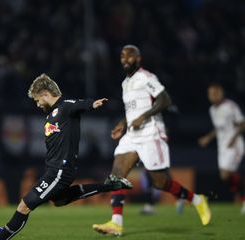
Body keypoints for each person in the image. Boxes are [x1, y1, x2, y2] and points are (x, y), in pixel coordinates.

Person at [0, 73, 133, 240]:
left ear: (45, 94)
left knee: (24, 206)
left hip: (59, 170)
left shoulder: (65, 107)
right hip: (55, 169)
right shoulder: (52, 114)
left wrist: (92, 104)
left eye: (37, 100)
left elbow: (78, 105)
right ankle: (112, 186)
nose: (37, 104)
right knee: (59, 200)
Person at [92, 45, 211, 236]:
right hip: (132, 135)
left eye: (129, 55)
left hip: (151, 134)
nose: (125, 59)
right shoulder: (125, 83)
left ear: (138, 59)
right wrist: (123, 123)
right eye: (122, 55)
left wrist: (144, 117)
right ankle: (116, 223)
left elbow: (165, 100)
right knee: (117, 174)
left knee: (160, 182)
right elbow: (132, 111)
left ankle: (197, 200)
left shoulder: (146, 77)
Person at [198, 82, 245, 214]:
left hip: (234, 145)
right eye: (209, 94)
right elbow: (218, 129)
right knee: (225, 176)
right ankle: (241, 197)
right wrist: (207, 138)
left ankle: (243, 199)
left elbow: (242, 124)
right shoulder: (212, 110)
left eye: (214, 93)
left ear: (220, 93)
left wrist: (233, 138)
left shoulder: (230, 106)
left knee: (225, 174)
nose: (211, 96)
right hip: (222, 146)